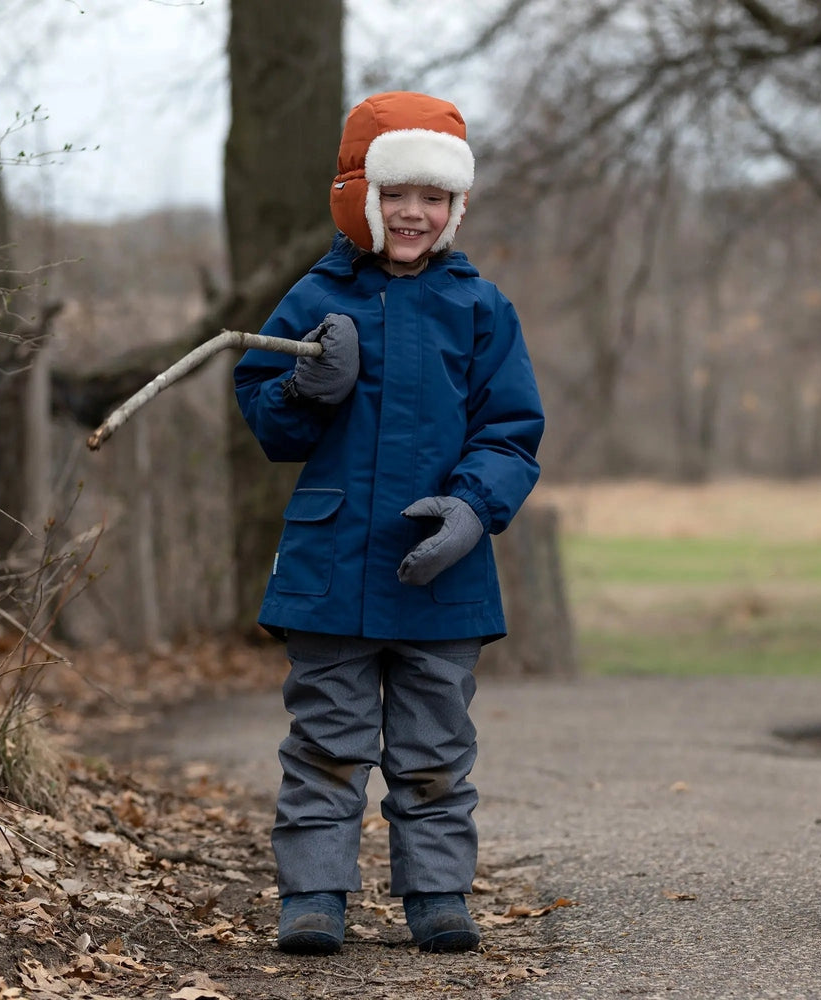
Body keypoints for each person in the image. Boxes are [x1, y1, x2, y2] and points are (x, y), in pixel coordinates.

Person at [233, 90, 545, 956]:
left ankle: (438, 895)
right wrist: (304, 390)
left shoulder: (481, 308)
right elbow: (267, 419)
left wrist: (472, 508)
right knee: (327, 744)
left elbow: (511, 432)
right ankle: (314, 897)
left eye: (433, 197)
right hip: (332, 568)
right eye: (396, 193)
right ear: (360, 196)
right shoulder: (314, 297)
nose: (414, 212)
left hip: (442, 571)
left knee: (435, 748)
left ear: (455, 207)